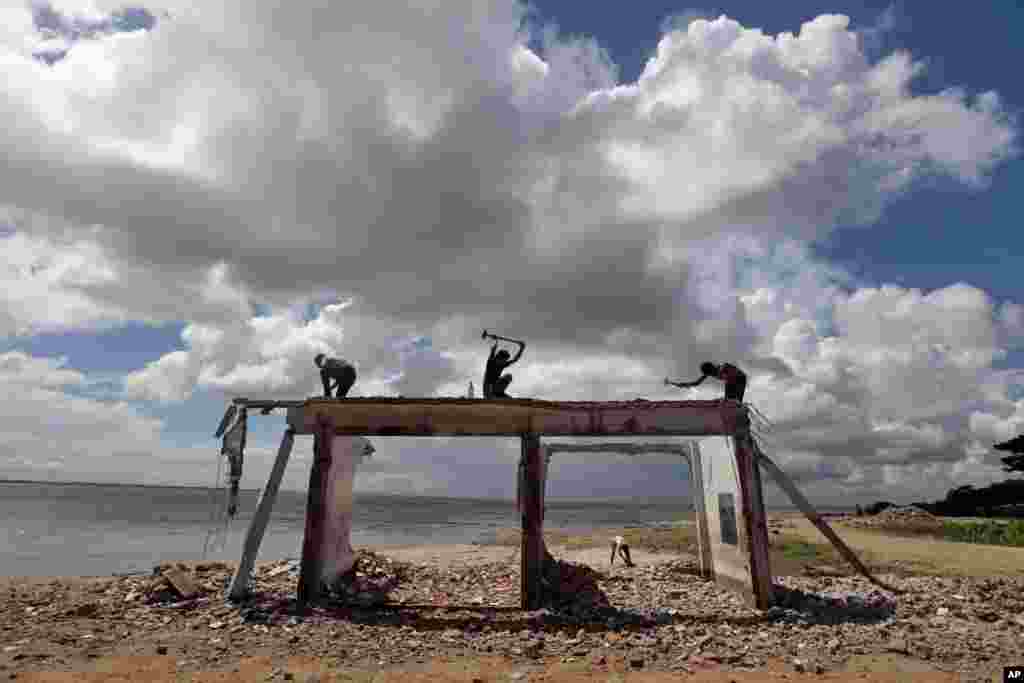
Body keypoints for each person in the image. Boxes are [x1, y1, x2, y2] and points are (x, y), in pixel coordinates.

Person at [665, 361, 747, 401]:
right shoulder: (710, 373)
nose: (712, 375)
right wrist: (673, 383)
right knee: (732, 399)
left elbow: (731, 380)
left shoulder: (723, 367)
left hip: (740, 378)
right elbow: (695, 383)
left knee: (733, 400)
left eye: (713, 373)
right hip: (734, 380)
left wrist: (726, 397)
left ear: (713, 368)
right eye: (710, 374)